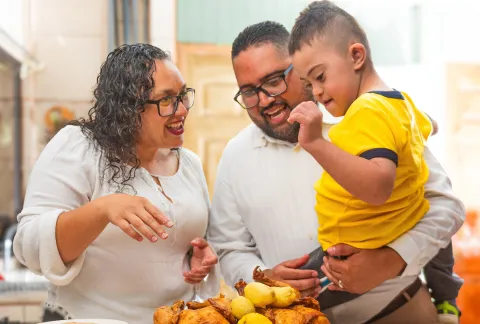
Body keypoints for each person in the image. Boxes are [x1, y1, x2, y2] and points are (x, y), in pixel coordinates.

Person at [207, 21, 464, 324]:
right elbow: (229, 247)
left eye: (274, 80)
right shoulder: (235, 157)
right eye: (249, 92)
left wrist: (393, 260)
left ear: (300, 68)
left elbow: (445, 205)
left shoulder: (367, 118)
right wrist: (261, 278)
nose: (264, 100)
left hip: (398, 311)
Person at [13, 44, 219, 324]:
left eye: (183, 95)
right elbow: (30, 246)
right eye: (167, 99)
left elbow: (188, 244)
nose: (182, 109)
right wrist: (101, 210)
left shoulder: (190, 164)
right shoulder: (79, 147)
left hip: (172, 319)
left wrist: (200, 256)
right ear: (128, 107)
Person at [287, 2, 462, 323]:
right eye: (309, 84)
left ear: (356, 56)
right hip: (386, 234)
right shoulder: (399, 103)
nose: (317, 92)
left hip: (353, 249)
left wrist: (315, 143)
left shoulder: (367, 111)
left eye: (320, 76)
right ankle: (447, 299)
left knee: (283, 298)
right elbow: (426, 125)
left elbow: (378, 187)